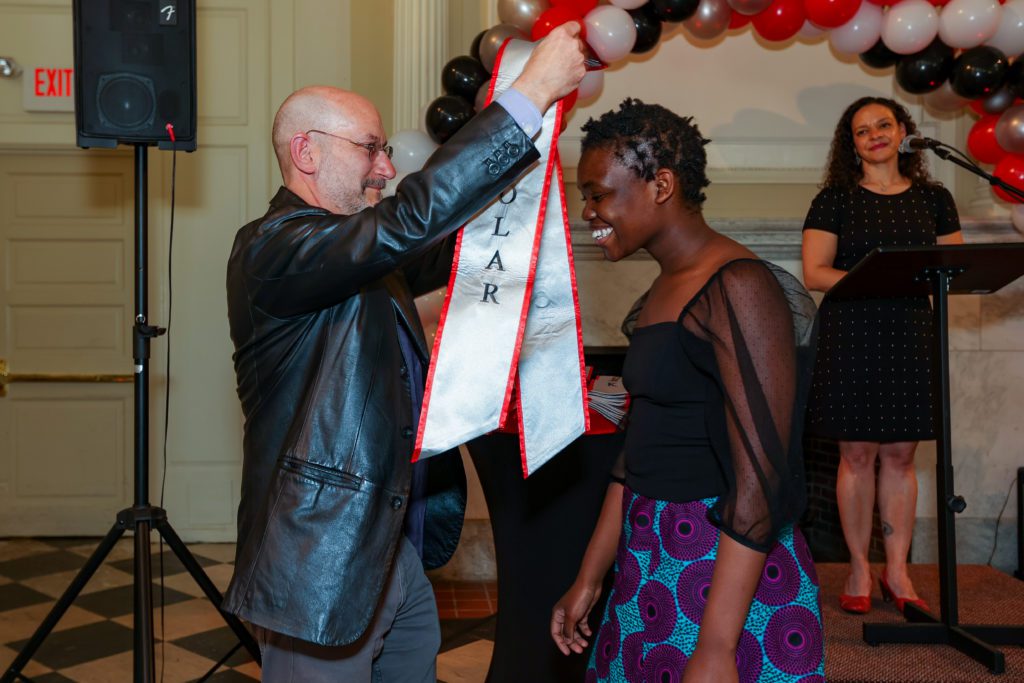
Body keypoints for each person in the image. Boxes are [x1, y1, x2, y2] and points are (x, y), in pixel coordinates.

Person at [221, 24, 586, 682]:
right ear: (307, 152)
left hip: (390, 550)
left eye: (387, 150)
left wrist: (534, 131)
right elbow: (409, 220)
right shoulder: (273, 249)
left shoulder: (356, 255)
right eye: (371, 149)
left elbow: (449, 237)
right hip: (319, 561)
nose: (387, 167)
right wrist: (526, 95)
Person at [551, 99, 823, 683]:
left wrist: (718, 645)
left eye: (598, 194)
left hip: (720, 564)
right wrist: (590, 577)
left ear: (661, 185)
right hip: (650, 549)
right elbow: (637, 453)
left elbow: (760, 478)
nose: (588, 211)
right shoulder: (658, 292)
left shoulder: (740, 286)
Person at [801, 96, 963, 616]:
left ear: (903, 132)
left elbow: (953, 266)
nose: (874, 134)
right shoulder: (835, 199)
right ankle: (857, 565)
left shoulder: (934, 198)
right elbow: (815, 272)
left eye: (883, 124)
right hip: (853, 331)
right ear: (851, 146)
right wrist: (876, 278)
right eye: (861, 130)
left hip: (911, 333)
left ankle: (896, 568)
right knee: (856, 455)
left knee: (901, 456)